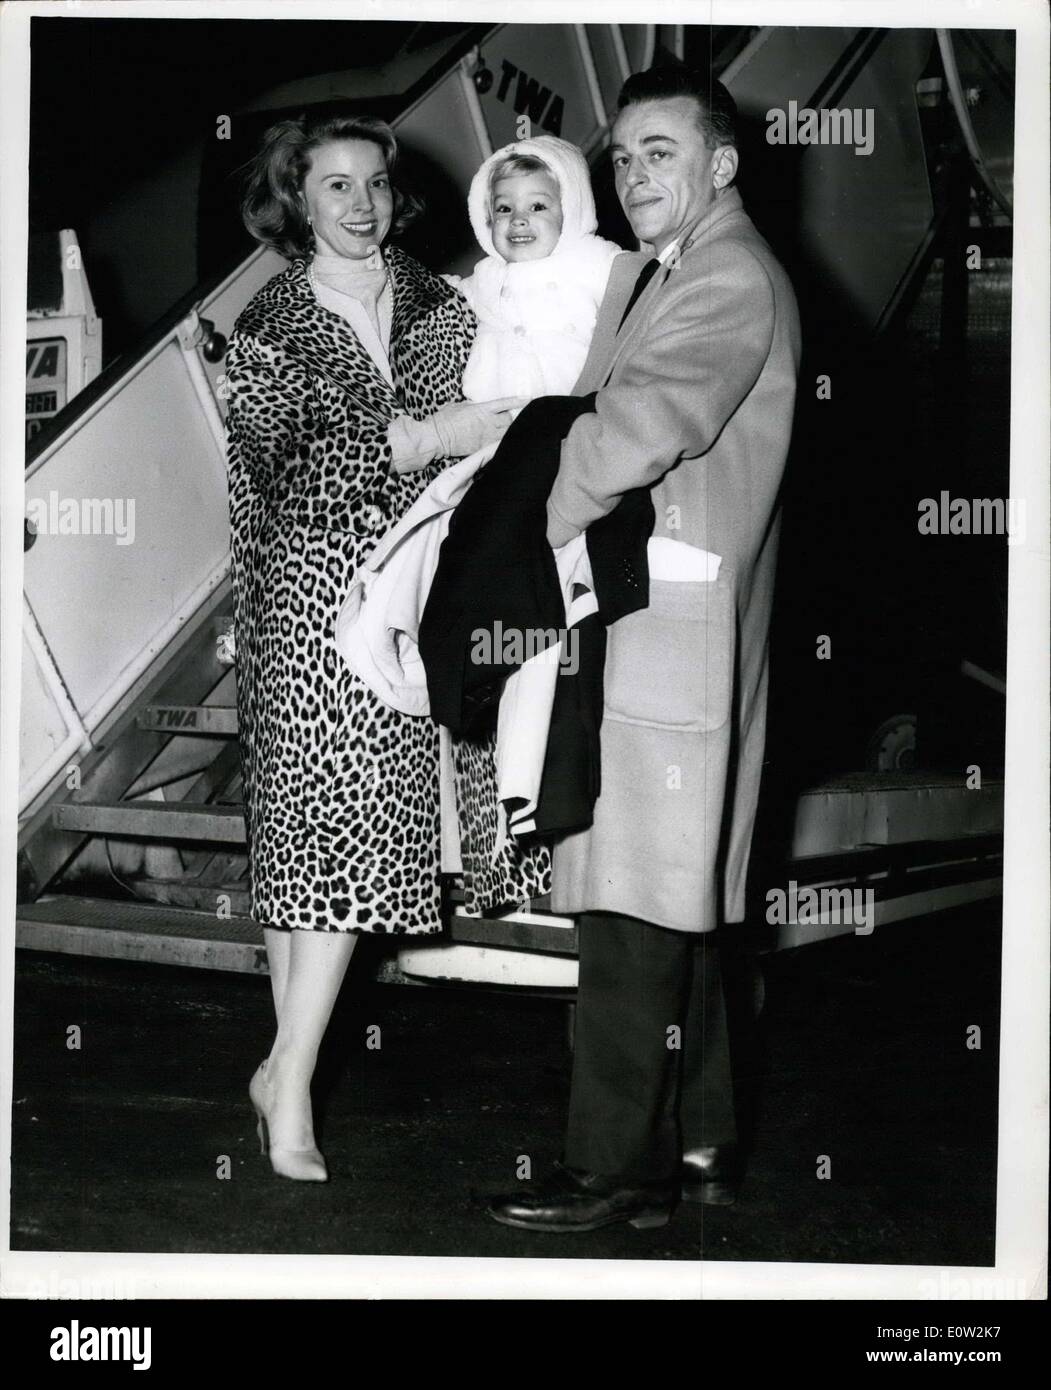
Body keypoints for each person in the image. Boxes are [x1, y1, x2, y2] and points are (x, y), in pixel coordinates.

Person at [488, 66, 801, 1232]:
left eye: (659, 152)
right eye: (620, 156)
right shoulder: (669, 272)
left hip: (670, 636)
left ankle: (614, 1173)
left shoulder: (723, 275)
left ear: (720, 164)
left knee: (629, 907)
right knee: (683, 899)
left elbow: (635, 426)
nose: (631, 174)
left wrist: (529, 523)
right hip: (669, 630)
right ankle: (704, 1136)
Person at [225, 113, 518, 1182]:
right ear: (298, 201)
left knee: (359, 834)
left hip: (408, 597)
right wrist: (440, 432)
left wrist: (461, 436)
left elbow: (512, 416)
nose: (359, 205)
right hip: (305, 602)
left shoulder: (446, 305)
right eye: (335, 186)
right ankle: (291, 1076)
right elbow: (293, 464)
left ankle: (282, 1071)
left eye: (375, 186)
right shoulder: (265, 324)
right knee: (308, 841)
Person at [449, 134, 623, 400]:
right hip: (497, 416)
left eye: (537, 206)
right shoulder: (487, 273)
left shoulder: (592, 258)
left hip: (573, 407)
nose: (518, 219)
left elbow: (641, 288)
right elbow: (451, 294)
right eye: (504, 208)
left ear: (570, 209)